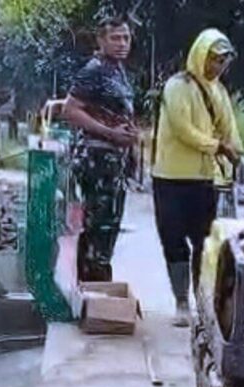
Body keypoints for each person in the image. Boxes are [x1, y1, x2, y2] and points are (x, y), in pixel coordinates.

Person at [153, 28, 243, 327]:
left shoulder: (219, 92)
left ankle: (203, 302)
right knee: (174, 240)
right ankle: (181, 301)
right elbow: (182, 128)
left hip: (205, 179)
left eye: (222, 61)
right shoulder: (177, 87)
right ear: (200, 54)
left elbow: (230, 131)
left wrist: (238, 158)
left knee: (205, 243)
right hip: (171, 176)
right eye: (214, 59)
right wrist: (216, 146)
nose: (217, 66)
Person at [63, 16, 137, 282]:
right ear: (100, 40)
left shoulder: (116, 71)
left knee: (109, 225)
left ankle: (96, 285)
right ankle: (93, 286)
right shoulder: (93, 70)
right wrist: (109, 133)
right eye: (115, 38)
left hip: (115, 161)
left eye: (126, 38)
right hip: (97, 158)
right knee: (99, 225)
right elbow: (69, 110)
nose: (122, 43)